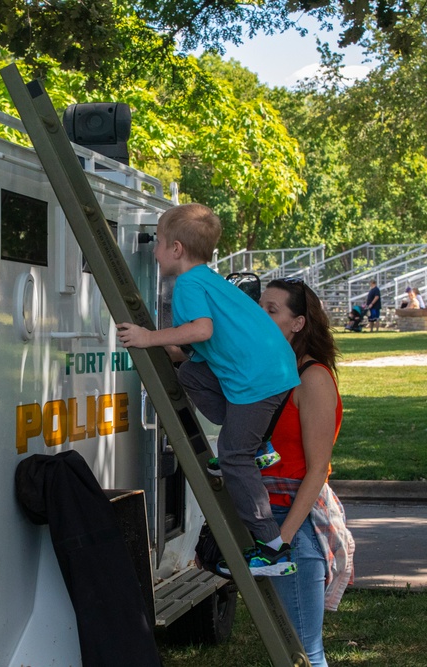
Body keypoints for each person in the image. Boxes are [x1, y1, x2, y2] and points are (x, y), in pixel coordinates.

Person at [117, 203, 300, 577]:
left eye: (160, 244)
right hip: (271, 368)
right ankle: (259, 448)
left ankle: (273, 550)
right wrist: (162, 346)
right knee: (193, 375)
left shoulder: (186, 284)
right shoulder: (208, 279)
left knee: (233, 459)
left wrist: (147, 336)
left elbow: (201, 330)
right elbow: (193, 349)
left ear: (177, 249)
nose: (154, 252)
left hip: (256, 380)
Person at [258, 278, 356, 667]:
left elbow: (317, 469)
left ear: (298, 323)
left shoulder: (312, 378)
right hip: (269, 516)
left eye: (272, 310)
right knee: (286, 647)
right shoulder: (276, 368)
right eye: (259, 307)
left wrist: (282, 538)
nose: (261, 317)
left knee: (302, 651)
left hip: (294, 527)